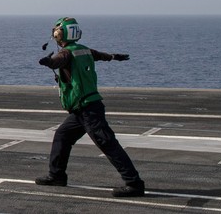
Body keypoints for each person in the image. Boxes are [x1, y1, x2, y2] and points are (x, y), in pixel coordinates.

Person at [35, 17, 145, 198]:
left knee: (108, 144)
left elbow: (58, 61)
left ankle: (134, 184)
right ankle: (57, 176)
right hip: (82, 109)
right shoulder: (83, 50)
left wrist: (49, 63)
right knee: (62, 136)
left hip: (88, 110)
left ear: (59, 34)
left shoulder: (67, 53)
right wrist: (114, 57)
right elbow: (100, 55)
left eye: (57, 32)